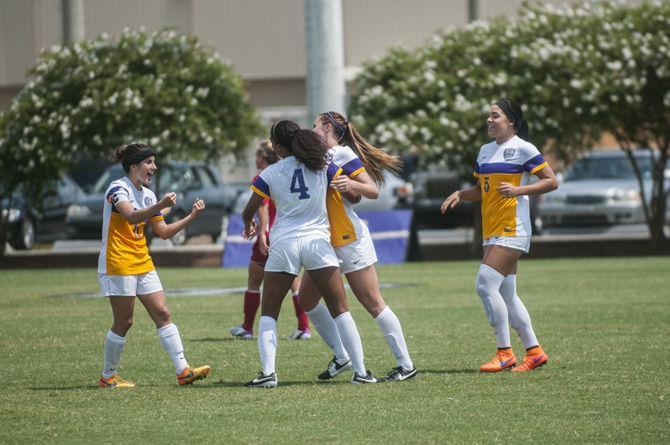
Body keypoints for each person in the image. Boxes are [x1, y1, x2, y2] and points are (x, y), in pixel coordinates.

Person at [242, 120, 378, 387]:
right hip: (319, 243)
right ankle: (361, 372)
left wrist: (250, 223)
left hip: (285, 244)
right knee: (340, 310)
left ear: (278, 147)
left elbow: (250, 208)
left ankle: (268, 373)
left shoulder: (269, 173)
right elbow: (354, 194)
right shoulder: (323, 166)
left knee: (269, 312)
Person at [441, 98, 558, 373]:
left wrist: (520, 191)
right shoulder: (484, 151)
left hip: (513, 228)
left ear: (511, 122)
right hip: (492, 230)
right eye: (488, 116)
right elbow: (482, 189)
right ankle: (535, 351)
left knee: (485, 284)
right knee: (507, 294)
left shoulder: (523, 148)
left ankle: (504, 352)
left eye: (495, 116)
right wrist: (460, 193)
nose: (489, 120)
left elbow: (551, 181)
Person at [298, 111, 417, 382]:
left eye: (315, 126)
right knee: (306, 299)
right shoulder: (317, 156)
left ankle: (405, 364)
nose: (312, 129)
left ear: (328, 128)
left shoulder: (341, 154)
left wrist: (349, 182)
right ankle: (342, 355)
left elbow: (372, 190)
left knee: (372, 302)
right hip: (323, 240)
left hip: (349, 239)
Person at [97, 143, 211, 388]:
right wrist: (160, 205)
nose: (154, 167)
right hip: (118, 262)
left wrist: (191, 216)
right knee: (124, 321)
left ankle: (183, 371)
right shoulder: (117, 188)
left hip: (142, 261)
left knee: (163, 313)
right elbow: (130, 216)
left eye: (153, 162)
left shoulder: (148, 195)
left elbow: (164, 232)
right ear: (133, 166)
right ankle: (108, 377)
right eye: (148, 162)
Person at [229, 141, 311, 341]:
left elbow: (262, 207)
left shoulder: (264, 176)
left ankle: (247, 328)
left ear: (262, 157)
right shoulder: (285, 172)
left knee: (254, 281)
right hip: (288, 233)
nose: (254, 158)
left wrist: (263, 233)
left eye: (256, 154)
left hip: (272, 233)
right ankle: (304, 327)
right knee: (294, 281)